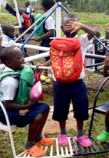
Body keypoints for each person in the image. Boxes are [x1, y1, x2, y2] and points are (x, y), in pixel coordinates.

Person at [39, 13, 96, 147]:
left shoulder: (81, 40)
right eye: (67, 25)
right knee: (60, 109)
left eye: (74, 24)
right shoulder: (58, 42)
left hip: (77, 83)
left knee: (81, 108)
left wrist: (82, 26)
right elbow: (54, 58)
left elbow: (93, 33)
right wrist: (41, 66)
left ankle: (80, 134)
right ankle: (62, 133)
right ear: (61, 27)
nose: (70, 27)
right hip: (60, 83)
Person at [0, 46, 53, 157]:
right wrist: (27, 106)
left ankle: (38, 138)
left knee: (45, 107)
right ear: (9, 63)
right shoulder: (9, 81)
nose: (23, 60)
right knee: (37, 116)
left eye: (22, 56)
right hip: (5, 113)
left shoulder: (16, 69)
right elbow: (7, 105)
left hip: (17, 105)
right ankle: (29, 145)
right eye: (19, 58)